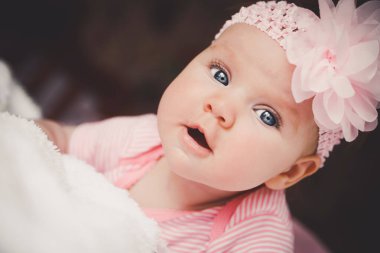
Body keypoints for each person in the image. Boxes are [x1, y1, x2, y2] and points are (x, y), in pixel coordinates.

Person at [37, 0, 380, 252]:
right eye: (220, 75)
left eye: (266, 115)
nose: (220, 108)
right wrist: (22, 136)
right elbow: (63, 140)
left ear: (289, 173)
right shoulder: (143, 138)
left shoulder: (254, 239)